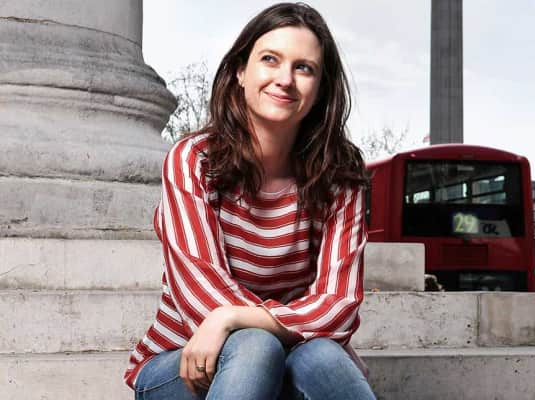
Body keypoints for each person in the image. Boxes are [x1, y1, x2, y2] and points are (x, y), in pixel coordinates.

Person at [125, 3, 376, 399]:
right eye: (270, 60)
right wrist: (309, 329)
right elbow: (203, 299)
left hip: (285, 354)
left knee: (324, 359)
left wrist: (236, 316)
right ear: (240, 71)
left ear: (321, 89)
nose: (285, 79)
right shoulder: (194, 160)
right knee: (262, 346)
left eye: (303, 68)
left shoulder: (340, 174)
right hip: (185, 363)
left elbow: (339, 304)